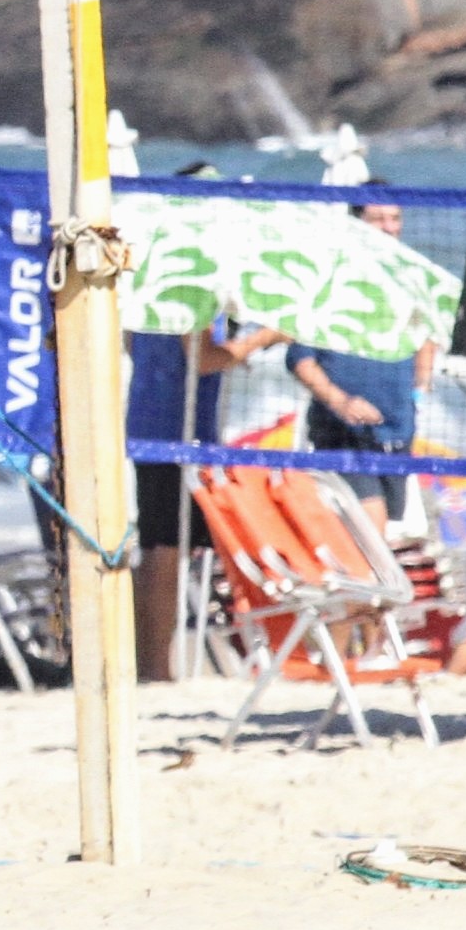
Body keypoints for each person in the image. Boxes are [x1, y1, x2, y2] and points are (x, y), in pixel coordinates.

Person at [127, 264, 278, 683]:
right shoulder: (190, 292)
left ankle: (148, 662)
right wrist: (263, 338)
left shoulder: (153, 286)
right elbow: (203, 359)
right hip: (176, 432)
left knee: (159, 548)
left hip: (154, 425)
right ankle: (155, 667)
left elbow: (131, 345)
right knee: (167, 550)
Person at [288, 202, 440, 522]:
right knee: (372, 528)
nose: (388, 227)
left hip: (396, 431)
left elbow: (429, 330)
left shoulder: (412, 278)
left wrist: (421, 384)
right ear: (357, 223)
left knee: (385, 531)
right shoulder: (330, 280)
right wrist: (340, 401)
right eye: (378, 219)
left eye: (395, 218)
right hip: (342, 435)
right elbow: (299, 359)